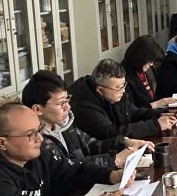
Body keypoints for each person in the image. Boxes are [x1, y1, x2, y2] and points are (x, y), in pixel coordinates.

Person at [0, 102, 125, 196]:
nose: (40, 138)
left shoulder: (38, 153)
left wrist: (110, 175)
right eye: (31, 134)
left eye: (39, 130)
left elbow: (72, 171)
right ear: (2, 143)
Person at [22, 69, 154, 170]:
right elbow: (68, 169)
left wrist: (125, 142)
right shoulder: (35, 142)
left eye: (67, 99)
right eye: (61, 103)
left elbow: (91, 145)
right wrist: (115, 160)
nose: (68, 107)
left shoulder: (64, 125)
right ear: (37, 109)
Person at [69, 58, 177, 140]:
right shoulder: (84, 105)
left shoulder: (114, 93)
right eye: (118, 87)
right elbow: (111, 133)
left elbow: (134, 113)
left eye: (123, 85)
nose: (123, 90)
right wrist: (155, 126)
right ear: (100, 90)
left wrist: (159, 114)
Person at [122, 34, 176, 110]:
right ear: (140, 57)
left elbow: (152, 100)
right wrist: (158, 103)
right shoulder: (124, 76)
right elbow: (132, 111)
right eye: (150, 61)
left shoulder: (141, 72)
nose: (151, 64)